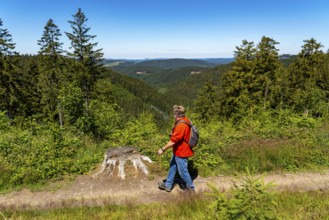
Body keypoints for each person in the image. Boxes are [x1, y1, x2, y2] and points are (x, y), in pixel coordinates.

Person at [157, 105, 195, 192]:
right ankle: (168, 185)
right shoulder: (185, 120)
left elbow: (173, 141)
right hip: (177, 151)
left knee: (183, 172)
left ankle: (191, 190)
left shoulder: (181, 125)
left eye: (174, 114)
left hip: (182, 152)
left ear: (176, 114)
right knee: (173, 167)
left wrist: (162, 149)